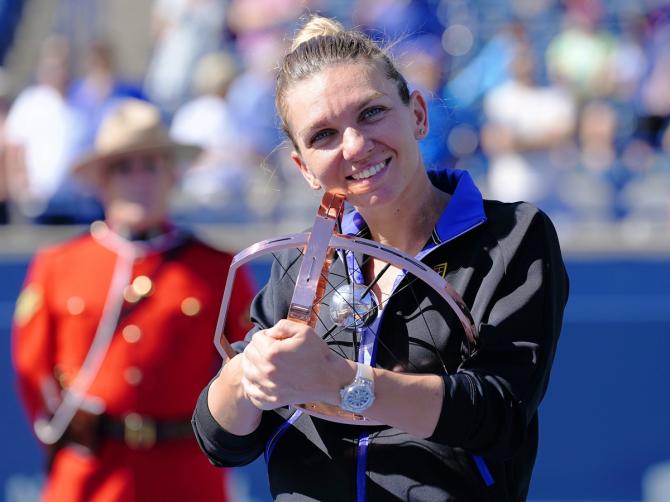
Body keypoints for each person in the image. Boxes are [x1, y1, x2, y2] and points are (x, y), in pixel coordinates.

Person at [192, 15, 569, 502]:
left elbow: (500, 414)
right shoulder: (302, 263)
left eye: (370, 113)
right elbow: (222, 441)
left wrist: (343, 381)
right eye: (323, 135)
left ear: (417, 114)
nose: (354, 145)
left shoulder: (512, 236)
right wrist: (248, 375)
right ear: (303, 168)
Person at [12, 98, 255, 501]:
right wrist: (61, 434)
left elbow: (244, 365)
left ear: (171, 176)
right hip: (91, 475)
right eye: (124, 168)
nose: (138, 180)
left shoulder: (218, 268)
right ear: (103, 181)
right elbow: (32, 368)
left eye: (150, 166)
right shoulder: (59, 265)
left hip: (187, 473)